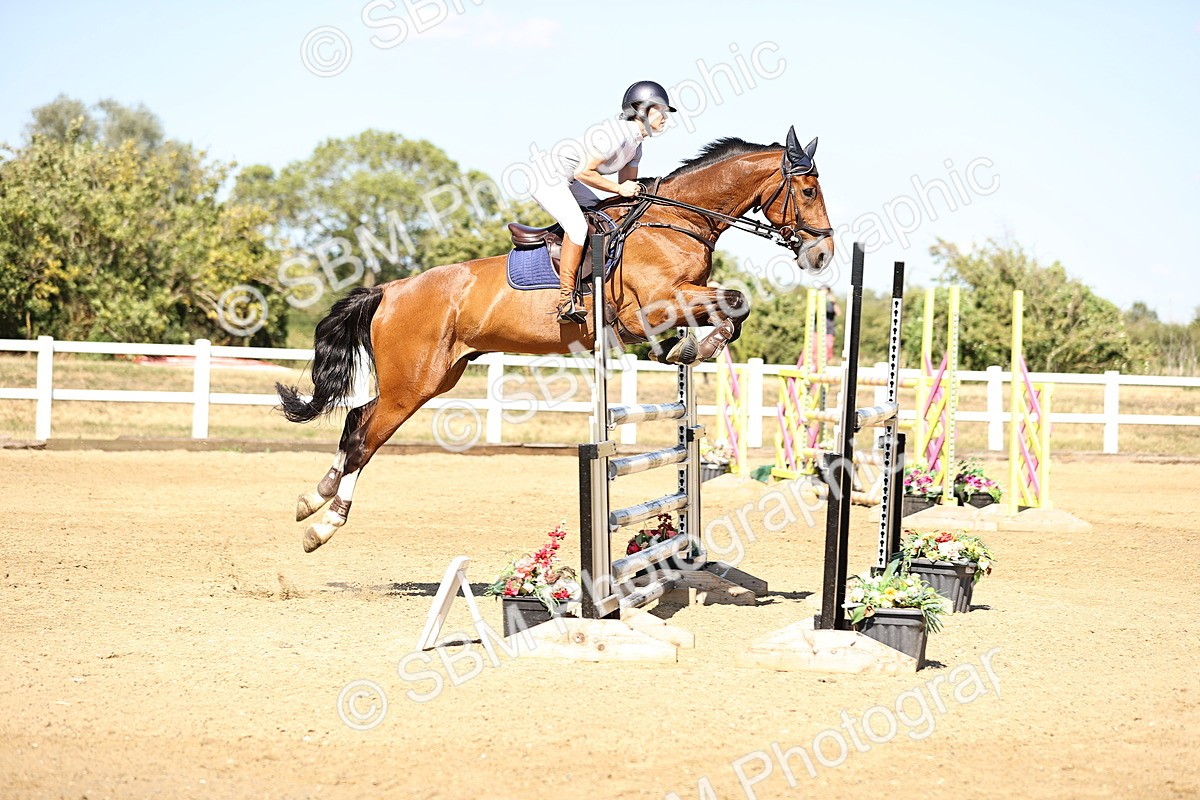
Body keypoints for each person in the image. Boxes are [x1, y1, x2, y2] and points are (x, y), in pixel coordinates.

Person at [529, 80, 677, 323]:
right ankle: (565, 299)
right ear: (641, 110)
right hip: (546, 175)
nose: (665, 116)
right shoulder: (617, 134)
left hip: (567, 180)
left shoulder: (636, 147)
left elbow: (625, 195)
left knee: (603, 216)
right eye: (660, 109)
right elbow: (584, 172)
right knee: (577, 226)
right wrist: (621, 188)